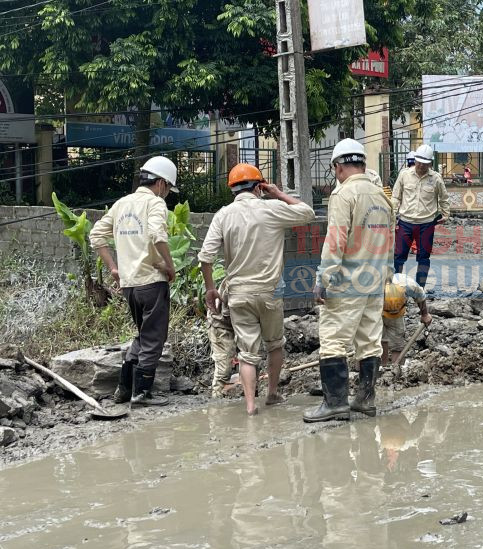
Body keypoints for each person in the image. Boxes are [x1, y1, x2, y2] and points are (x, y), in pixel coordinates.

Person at [198, 163, 315, 416]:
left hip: (239, 294)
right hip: (270, 292)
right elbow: (307, 213)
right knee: (275, 345)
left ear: (232, 189)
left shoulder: (223, 215)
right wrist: (278, 193)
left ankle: (250, 406)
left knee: (247, 354)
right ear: (259, 186)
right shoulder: (272, 208)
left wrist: (210, 289)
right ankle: (272, 394)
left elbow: (205, 257)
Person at [305, 139, 394, 423]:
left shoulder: (344, 195)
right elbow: (388, 240)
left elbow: (335, 241)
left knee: (333, 340)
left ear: (338, 166)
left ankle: (335, 404)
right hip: (374, 283)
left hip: (346, 284)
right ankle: (365, 399)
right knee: (369, 342)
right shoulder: (381, 196)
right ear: (363, 164)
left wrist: (323, 278)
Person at [89, 156, 179, 407]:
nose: (166, 194)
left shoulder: (122, 203)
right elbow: (157, 234)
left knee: (143, 334)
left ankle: (124, 389)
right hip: (151, 282)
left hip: (129, 285)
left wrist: (114, 268)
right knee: (154, 339)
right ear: (161, 183)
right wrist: (169, 266)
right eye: (168, 189)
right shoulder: (155, 203)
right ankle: (142, 393)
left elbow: (96, 235)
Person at [392, 144, 451, 290]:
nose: (421, 166)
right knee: (399, 257)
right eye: (419, 162)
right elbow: (396, 197)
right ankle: (395, 288)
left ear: (430, 163)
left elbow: (444, 198)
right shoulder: (404, 175)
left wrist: (445, 214)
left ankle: (420, 289)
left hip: (426, 224)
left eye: (424, 163)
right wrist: (392, 216)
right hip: (405, 222)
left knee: (424, 258)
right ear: (415, 160)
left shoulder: (436, 178)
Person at [381, 273, 432, 366]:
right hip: (375, 313)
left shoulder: (406, 283)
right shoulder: (370, 285)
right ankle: (380, 367)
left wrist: (424, 314)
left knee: (397, 344)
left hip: (396, 315)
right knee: (378, 342)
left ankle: (396, 368)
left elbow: (420, 295)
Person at [207, 278, 239, 399]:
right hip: (221, 325)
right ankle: (217, 398)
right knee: (224, 368)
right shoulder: (233, 282)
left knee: (250, 360)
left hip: (236, 324)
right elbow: (227, 313)